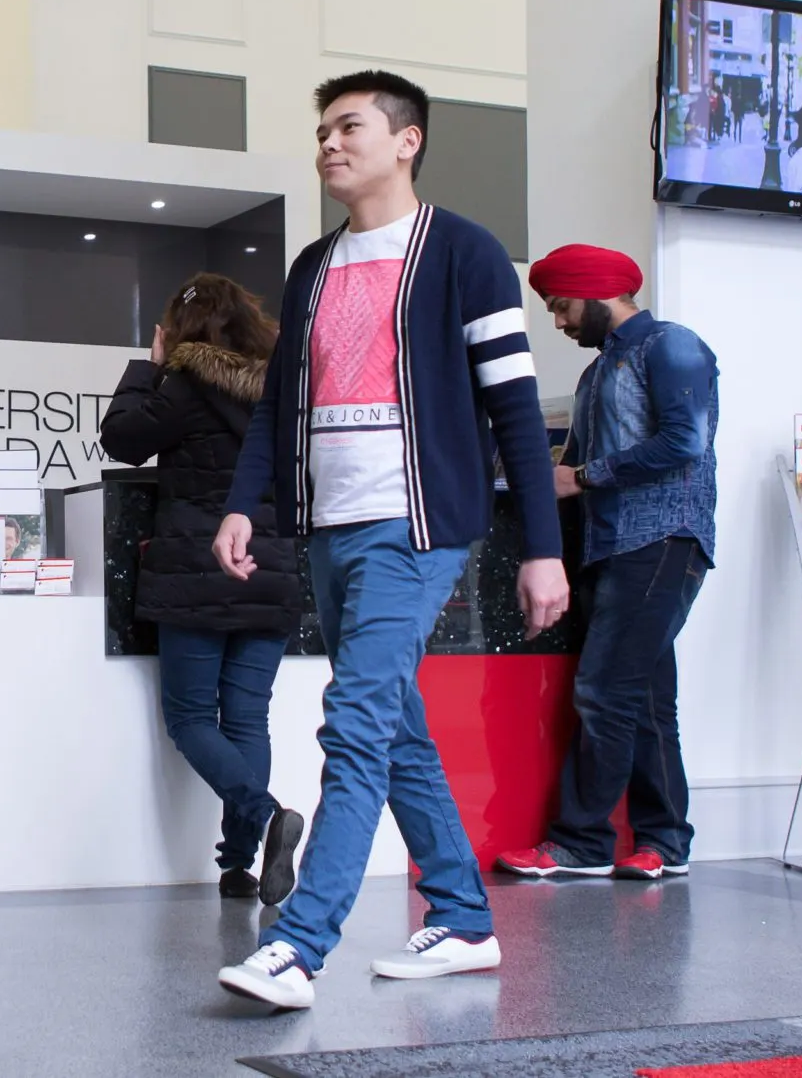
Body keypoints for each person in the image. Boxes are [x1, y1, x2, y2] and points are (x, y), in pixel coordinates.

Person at [212, 71, 568, 1013]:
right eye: (322, 129)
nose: (330, 143)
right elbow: (282, 400)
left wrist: (543, 545)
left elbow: (517, 411)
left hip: (417, 526)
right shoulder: (312, 264)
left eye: (350, 127)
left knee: (356, 718)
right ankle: (461, 916)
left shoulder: (466, 253)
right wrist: (248, 500)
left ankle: (298, 943)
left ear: (407, 141)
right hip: (329, 522)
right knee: (396, 723)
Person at [495, 244, 717, 883]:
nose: (559, 322)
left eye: (561, 306)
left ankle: (580, 843)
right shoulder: (598, 374)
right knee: (647, 699)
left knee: (604, 691)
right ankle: (665, 842)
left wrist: (584, 475)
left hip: (661, 540)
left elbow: (683, 442)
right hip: (612, 546)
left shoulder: (672, 345)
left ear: (596, 293)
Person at [99, 274, 306, 905]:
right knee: (248, 718)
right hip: (270, 571)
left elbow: (122, 439)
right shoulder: (283, 385)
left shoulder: (185, 384)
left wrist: (149, 367)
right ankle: (239, 867)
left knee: (190, 718)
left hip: (198, 568)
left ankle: (267, 816)